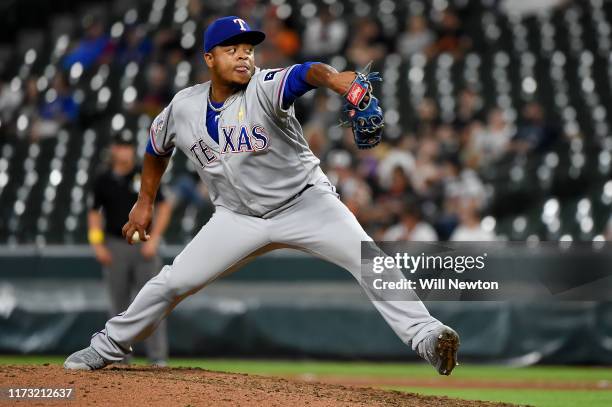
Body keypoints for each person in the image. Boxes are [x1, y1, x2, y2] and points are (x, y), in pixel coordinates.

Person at [65, 16, 459, 376]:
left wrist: (340, 82)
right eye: (231, 49)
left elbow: (308, 72)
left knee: (369, 259)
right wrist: (145, 200)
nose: (243, 56)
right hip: (237, 217)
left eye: (248, 49)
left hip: (306, 203)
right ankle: (107, 346)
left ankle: (427, 336)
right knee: (172, 282)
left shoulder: (265, 87)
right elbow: (156, 147)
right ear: (209, 58)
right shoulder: (183, 107)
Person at [87, 130, 172, 366]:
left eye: (127, 146)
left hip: (144, 244)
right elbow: (94, 214)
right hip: (115, 245)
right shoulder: (102, 180)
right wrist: (96, 243)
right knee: (118, 305)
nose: (124, 150)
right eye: (120, 146)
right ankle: (120, 359)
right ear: (113, 149)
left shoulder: (142, 175)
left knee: (153, 303)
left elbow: (164, 207)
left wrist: (155, 238)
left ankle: (158, 359)